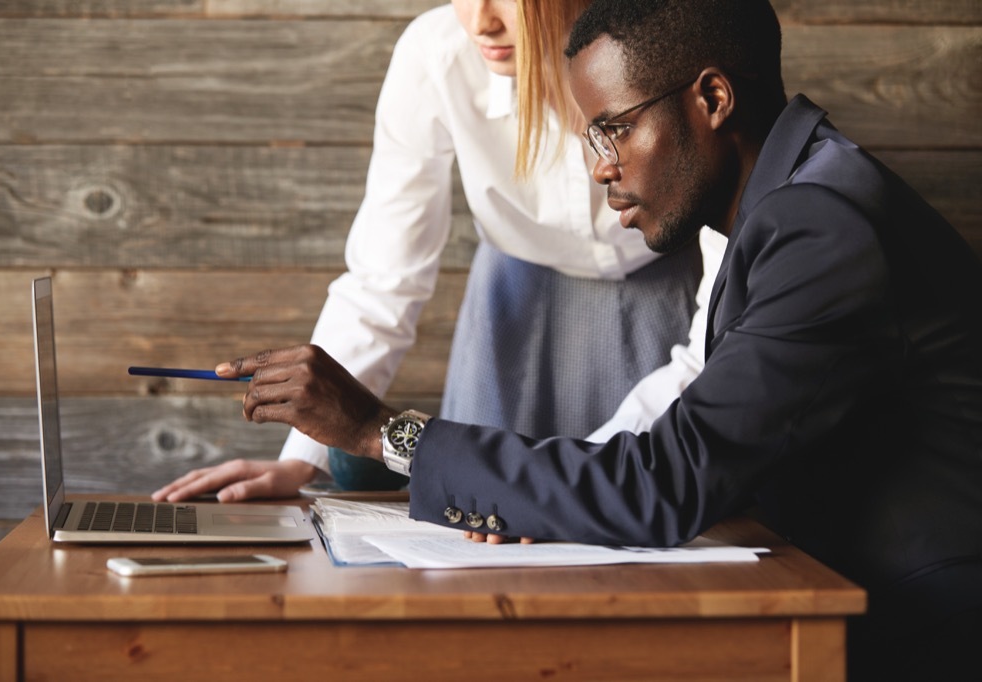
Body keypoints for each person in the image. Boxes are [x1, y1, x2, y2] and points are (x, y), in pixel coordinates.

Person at [206, 0, 982, 678]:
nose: (602, 169)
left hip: (921, 625)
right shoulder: (792, 199)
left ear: (713, 97)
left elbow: (662, 481)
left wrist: (381, 431)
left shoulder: (820, 227)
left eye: (614, 130)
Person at [153, 0, 724, 503]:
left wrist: (569, 488)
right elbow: (383, 280)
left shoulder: (671, 45)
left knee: (651, 526)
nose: (482, 19)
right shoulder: (436, 55)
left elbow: (706, 357)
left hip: (674, 305)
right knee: (485, 535)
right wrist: (303, 456)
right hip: (513, 319)